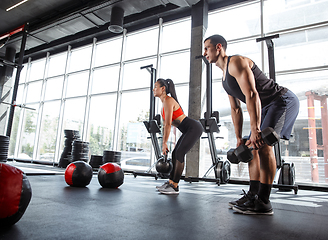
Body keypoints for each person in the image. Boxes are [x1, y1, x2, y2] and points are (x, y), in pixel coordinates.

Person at [203, 35, 299, 215]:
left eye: (206, 48)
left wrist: (255, 129)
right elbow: (236, 109)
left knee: (262, 144)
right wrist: (239, 137)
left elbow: (252, 95)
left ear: (218, 47)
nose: (204, 53)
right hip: (266, 107)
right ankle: (253, 194)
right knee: (249, 146)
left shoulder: (236, 62)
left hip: (281, 101)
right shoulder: (224, 78)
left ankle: (264, 201)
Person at [153, 78, 203, 195]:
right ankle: (171, 182)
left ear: (163, 88)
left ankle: (174, 186)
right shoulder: (164, 104)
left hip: (193, 128)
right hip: (188, 130)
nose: (153, 89)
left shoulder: (168, 101)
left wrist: (164, 143)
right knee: (176, 153)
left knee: (179, 153)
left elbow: (168, 124)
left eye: (156, 87)